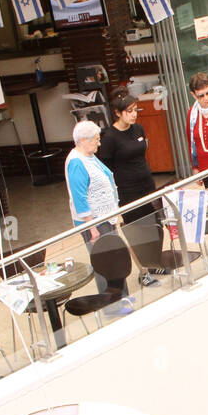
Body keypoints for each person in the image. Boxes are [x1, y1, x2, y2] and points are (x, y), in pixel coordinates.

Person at [97, 90, 170, 287]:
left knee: (154, 226)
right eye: (129, 111)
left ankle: (153, 262)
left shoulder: (138, 129)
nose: (134, 114)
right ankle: (143, 271)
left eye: (135, 110)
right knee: (136, 231)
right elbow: (106, 168)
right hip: (127, 191)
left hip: (147, 184)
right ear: (118, 113)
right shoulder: (110, 137)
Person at [66, 120, 134, 316]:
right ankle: (112, 305)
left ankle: (122, 298)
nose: (99, 143)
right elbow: (80, 198)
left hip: (106, 217)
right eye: (96, 140)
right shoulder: (77, 162)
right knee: (106, 264)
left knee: (116, 259)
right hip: (95, 222)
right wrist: (92, 227)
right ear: (83, 140)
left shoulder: (89, 156)